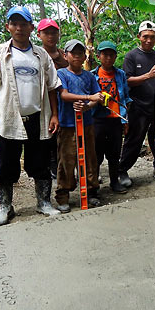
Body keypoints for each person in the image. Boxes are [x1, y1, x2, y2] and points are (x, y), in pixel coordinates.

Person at [0, 6, 62, 227]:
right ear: (8, 27)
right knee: (5, 165)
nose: (18, 28)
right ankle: (5, 207)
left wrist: (54, 115)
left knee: (41, 163)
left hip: (37, 118)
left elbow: (52, 87)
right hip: (7, 119)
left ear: (31, 28)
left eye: (23, 23)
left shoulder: (41, 55)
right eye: (14, 23)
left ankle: (43, 202)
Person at [118, 20, 155, 187]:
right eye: (146, 37)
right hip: (138, 107)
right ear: (139, 37)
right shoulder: (132, 56)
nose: (149, 40)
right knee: (134, 139)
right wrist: (148, 75)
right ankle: (122, 170)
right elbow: (127, 81)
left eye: (152, 37)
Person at [54, 39, 105, 212]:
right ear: (65, 55)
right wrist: (87, 98)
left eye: (80, 53)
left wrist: (87, 106)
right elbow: (65, 95)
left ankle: (92, 191)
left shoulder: (89, 76)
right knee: (67, 159)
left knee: (90, 158)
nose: (77, 56)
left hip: (87, 123)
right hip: (67, 124)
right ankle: (63, 195)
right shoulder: (62, 74)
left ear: (85, 56)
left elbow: (97, 97)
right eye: (73, 53)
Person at [92, 41, 132, 194]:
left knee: (114, 154)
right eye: (105, 54)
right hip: (98, 120)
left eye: (111, 55)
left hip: (115, 119)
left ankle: (114, 182)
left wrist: (125, 120)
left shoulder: (120, 74)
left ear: (115, 56)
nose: (108, 58)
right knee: (96, 155)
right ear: (98, 56)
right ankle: (93, 186)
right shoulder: (92, 76)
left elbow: (126, 98)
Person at [37, 18, 68, 179]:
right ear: (39, 35)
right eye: (46, 33)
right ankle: (51, 166)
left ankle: (64, 166)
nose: (50, 36)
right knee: (49, 135)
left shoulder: (65, 55)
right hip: (45, 102)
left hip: (65, 101)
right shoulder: (36, 55)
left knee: (64, 135)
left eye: (54, 32)